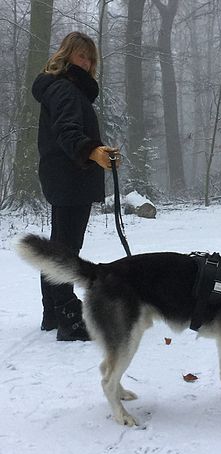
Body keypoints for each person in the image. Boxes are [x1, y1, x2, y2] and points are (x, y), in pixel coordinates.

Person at [31, 31, 120, 341]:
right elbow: (68, 132)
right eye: (82, 56)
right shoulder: (66, 89)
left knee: (58, 247)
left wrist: (95, 153)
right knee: (66, 251)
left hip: (66, 176)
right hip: (71, 177)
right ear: (67, 55)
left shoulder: (62, 89)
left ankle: (53, 313)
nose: (87, 63)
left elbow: (67, 133)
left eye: (91, 58)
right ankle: (68, 315)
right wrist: (92, 152)